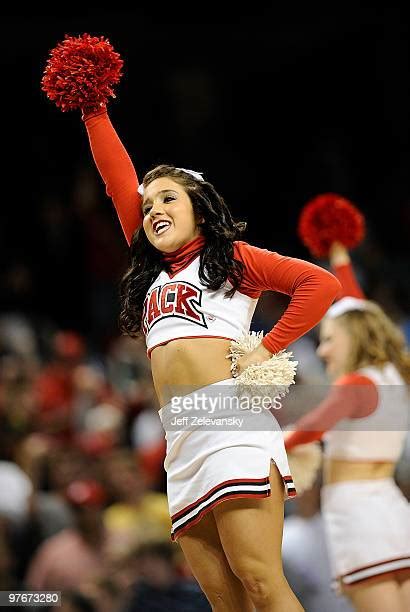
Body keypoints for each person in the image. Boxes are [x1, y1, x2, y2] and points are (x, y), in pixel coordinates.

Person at [49, 48, 341, 609]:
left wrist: (268, 349)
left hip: (231, 420)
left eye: (168, 198)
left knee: (260, 581)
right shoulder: (154, 270)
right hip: (178, 437)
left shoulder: (232, 258)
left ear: (199, 210)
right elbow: (118, 181)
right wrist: (93, 108)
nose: (153, 207)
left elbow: (320, 285)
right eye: (148, 201)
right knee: (225, 600)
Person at [285, 242, 410, 612]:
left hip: (358, 514)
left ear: (352, 338)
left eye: (327, 340)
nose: (322, 351)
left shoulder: (356, 385)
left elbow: (309, 429)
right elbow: (357, 309)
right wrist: (339, 255)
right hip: (392, 507)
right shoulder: (392, 373)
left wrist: (263, 445)